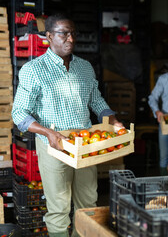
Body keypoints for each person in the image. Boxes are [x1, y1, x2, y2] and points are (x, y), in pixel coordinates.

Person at [11, 13, 123, 237]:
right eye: (64, 33)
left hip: (84, 145)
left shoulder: (84, 67)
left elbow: (96, 100)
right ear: (49, 36)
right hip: (53, 147)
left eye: (73, 33)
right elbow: (19, 112)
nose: (70, 39)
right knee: (59, 208)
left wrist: (112, 118)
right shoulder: (34, 70)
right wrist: (47, 132)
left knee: (87, 203)